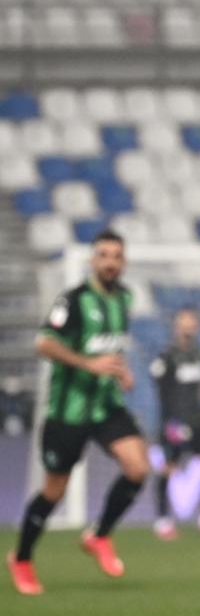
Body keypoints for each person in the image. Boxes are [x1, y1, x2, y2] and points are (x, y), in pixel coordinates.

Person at [7, 229, 149, 595]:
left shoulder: (124, 298)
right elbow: (44, 343)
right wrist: (88, 364)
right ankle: (21, 558)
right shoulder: (72, 301)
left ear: (124, 262)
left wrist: (120, 371)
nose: (110, 262)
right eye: (104, 255)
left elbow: (110, 348)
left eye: (116, 256)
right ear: (92, 260)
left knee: (137, 467)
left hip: (106, 407)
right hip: (68, 413)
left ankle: (99, 535)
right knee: (54, 491)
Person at [151, 307, 200, 540]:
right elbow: (162, 392)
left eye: (193, 321)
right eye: (185, 321)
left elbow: (198, 389)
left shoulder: (197, 354)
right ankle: (163, 521)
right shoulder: (167, 357)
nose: (189, 325)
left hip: (197, 421)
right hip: (175, 422)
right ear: (177, 325)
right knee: (169, 467)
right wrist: (170, 422)